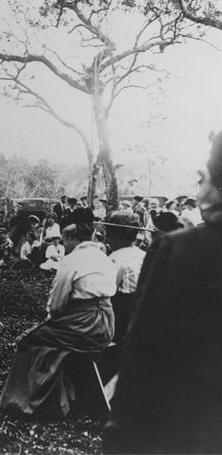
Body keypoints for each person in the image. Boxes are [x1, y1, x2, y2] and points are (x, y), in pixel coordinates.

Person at [104, 131, 222, 454]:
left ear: (216, 188)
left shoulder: (179, 252)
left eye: (203, 179)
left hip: (189, 428)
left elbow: (143, 357)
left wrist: (121, 437)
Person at [0, 221, 116, 416]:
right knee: (46, 334)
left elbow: (56, 305)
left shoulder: (72, 260)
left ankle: (24, 399)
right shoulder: (104, 257)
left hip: (84, 324)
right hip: (106, 322)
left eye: (64, 240)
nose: (64, 244)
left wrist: (49, 320)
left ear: (71, 239)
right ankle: (64, 390)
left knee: (29, 339)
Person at [105, 212, 145, 344]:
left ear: (117, 237)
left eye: (109, 235)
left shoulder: (115, 258)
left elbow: (109, 289)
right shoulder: (143, 255)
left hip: (124, 310)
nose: (107, 239)